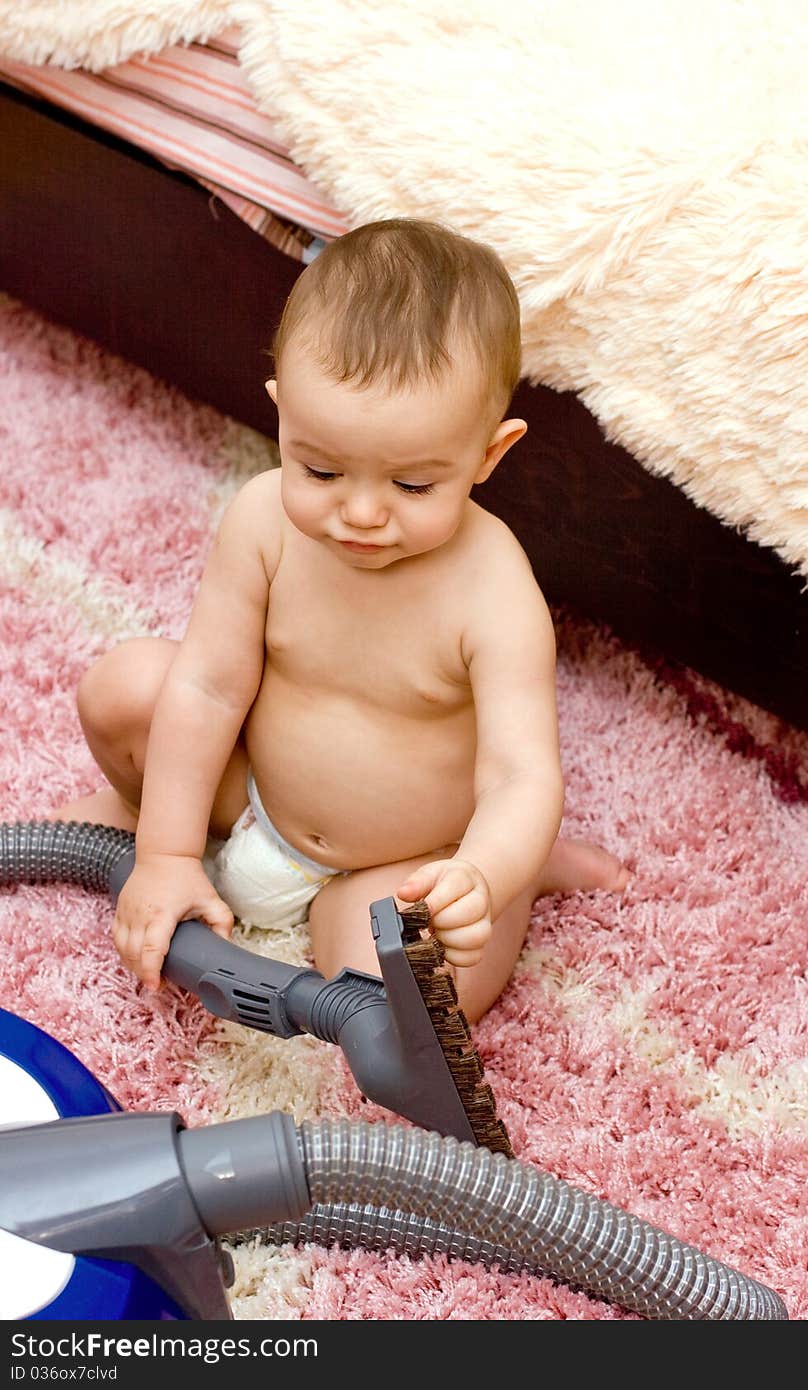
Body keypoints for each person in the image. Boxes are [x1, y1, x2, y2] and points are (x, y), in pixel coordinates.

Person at [54, 217, 629, 1023]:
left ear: (488, 457)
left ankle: (525, 873)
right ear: (282, 416)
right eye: (319, 468)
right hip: (255, 796)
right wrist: (167, 853)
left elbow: (519, 775)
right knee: (125, 688)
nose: (360, 514)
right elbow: (211, 687)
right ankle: (175, 831)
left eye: (415, 486)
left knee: (411, 998)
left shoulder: (494, 592)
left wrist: (484, 875)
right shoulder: (263, 522)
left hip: (401, 860)